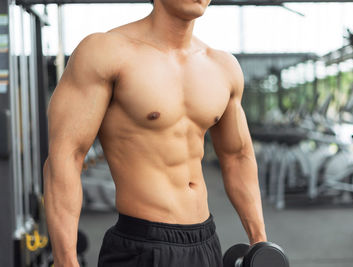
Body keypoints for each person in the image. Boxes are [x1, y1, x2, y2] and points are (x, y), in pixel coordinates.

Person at [43, 0, 267, 266]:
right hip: (142, 245)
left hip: (206, 243)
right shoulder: (106, 52)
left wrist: (260, 243)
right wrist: (65, 259)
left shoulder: (223, 66)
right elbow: (66, 156)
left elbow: (237, 157)